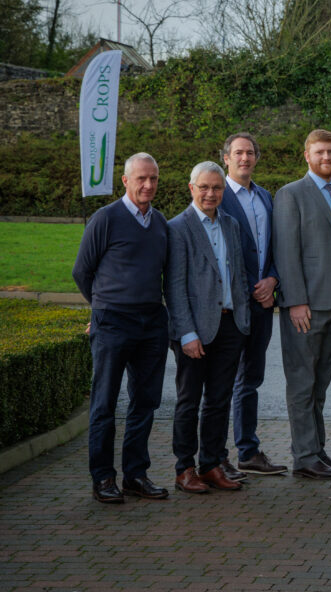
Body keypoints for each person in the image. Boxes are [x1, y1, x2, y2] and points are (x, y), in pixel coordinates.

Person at [72, 152, 170, 504]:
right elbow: (82, 271)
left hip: (151, 323)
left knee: (145, 401)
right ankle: (103, 477)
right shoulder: (106, 218)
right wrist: (102, 308)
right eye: (141, 178)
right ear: (126, 181)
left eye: (153, 178)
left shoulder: (160, 223)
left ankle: (135, 475)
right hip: (113, 322)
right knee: (104, 403)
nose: (148, 185)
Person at [273, 128, 331, 480]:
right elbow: (286, 250)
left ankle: (317, 449)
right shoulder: (290, 194)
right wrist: (295, 301)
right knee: (302, 383)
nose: (326, 157)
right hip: (305, 307)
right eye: (320, 152)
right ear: (306, 156)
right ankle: (305, 457)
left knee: (319, 385)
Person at [166, 161, 251, 493]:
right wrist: (186, 333)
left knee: (219, 399)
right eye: (204, 187)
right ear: (192, 188)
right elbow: (174, 287)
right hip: (194, 332)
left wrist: (242, 321)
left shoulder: (231, 224)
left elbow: (239, 275)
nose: (210, 193)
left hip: (230, 325)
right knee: (189, 400)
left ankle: (212, 463)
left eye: (216, 188)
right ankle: (184, 468)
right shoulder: (178, 228)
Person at [218, 132, 286, 478]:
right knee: (222, 382)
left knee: (251, 379)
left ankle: (247, 451)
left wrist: (272, 279)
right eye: (238, 153)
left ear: (256, 158)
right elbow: (218, 253)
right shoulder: (216, 195)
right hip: (231, 306)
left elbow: (274, 247)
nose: (244, 158)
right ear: (226, 158)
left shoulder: (265, 197)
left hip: (263, 304)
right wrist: (250, 287)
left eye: (250, 153)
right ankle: (215, 456)